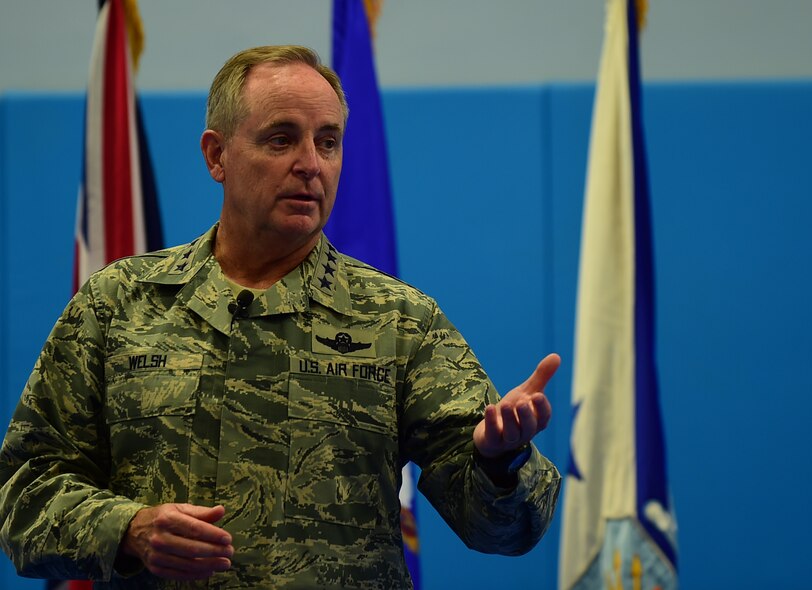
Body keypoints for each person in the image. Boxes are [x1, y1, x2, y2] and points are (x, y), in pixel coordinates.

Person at [0, 45, 561, 588]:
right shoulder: (117, 303)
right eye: (281, 139)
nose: (310, 165)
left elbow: (508, 533)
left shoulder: (399, 321)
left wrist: (500, 462)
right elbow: (23, 497)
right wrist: (128, 529)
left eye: (329, 141)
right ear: (217, 155)